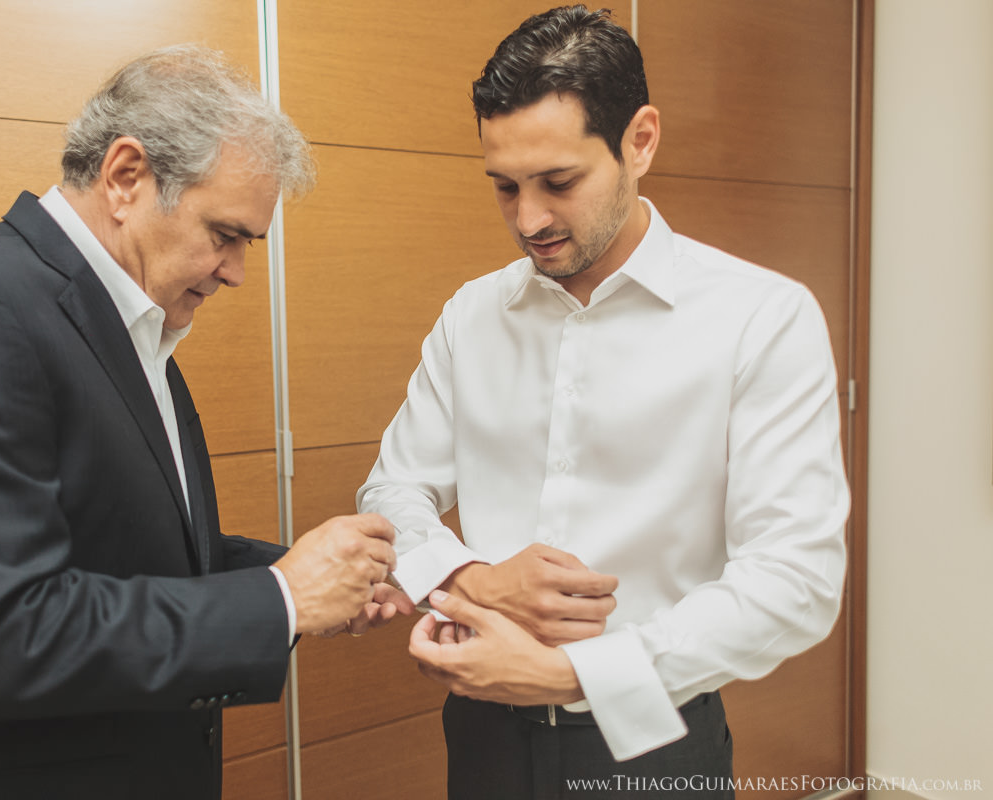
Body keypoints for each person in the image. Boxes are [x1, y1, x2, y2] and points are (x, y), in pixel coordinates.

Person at [0, 44, 411, 800]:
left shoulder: (130, 327)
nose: (237, 270)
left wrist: (315, 579)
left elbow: (137, 555)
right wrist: (280, 597)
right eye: (226, 234)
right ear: (126, 177)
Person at [357, 6, 850, 799]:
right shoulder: (471, 314)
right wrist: (472, 576)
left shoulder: (762, 316)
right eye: (505, 186)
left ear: (640, 141)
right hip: (480, 729)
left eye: (558, 183)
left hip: (653, 738)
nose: (529, 220)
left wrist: (569, 673)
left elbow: (795, 579)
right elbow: (392, 490)